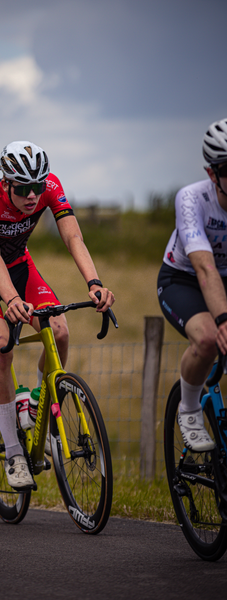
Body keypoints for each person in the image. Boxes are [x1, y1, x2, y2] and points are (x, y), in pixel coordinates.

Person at [0, 141, 115, 490]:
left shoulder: (50, 187)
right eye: (24, 188)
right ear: (5, 182)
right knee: (1, 346)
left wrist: (95, 282)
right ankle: (13, 452)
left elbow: (73, 236)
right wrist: (10, 299)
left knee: (59, 330)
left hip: (20, 269)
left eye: (38, 187)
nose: (33, 195)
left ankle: (38, 406)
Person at [157, 117, 227, 452]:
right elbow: (204, 267)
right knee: (209, 338)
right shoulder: (192, 199)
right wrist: (224, 321)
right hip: (184, 278)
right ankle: (189, 409)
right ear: (212, 173)